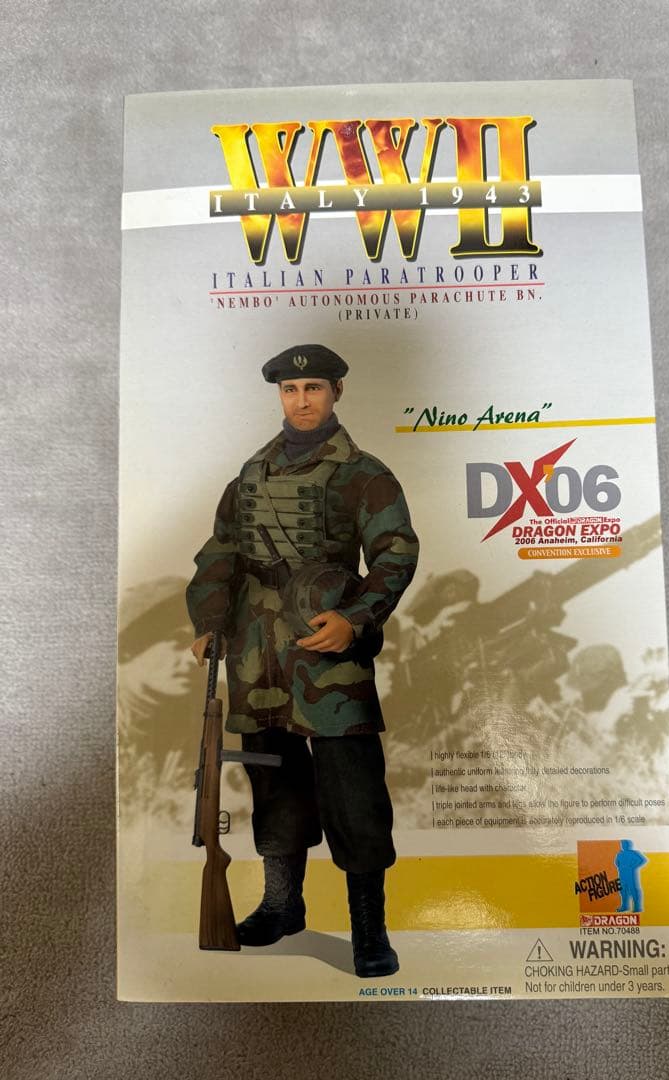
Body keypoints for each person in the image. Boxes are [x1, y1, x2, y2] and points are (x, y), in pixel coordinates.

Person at [186, 343, 419, 977]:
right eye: (290, 390)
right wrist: (209, 621)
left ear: (337, 391)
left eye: (313, 387)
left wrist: (356, 619)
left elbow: (396, 554)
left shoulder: (362, 474)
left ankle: (369, 929)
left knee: (353, 790)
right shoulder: (251, 475)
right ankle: (283, 905)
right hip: (256, 654)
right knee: (273, 782)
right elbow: (220, 553)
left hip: (327, 655)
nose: (301, 400)